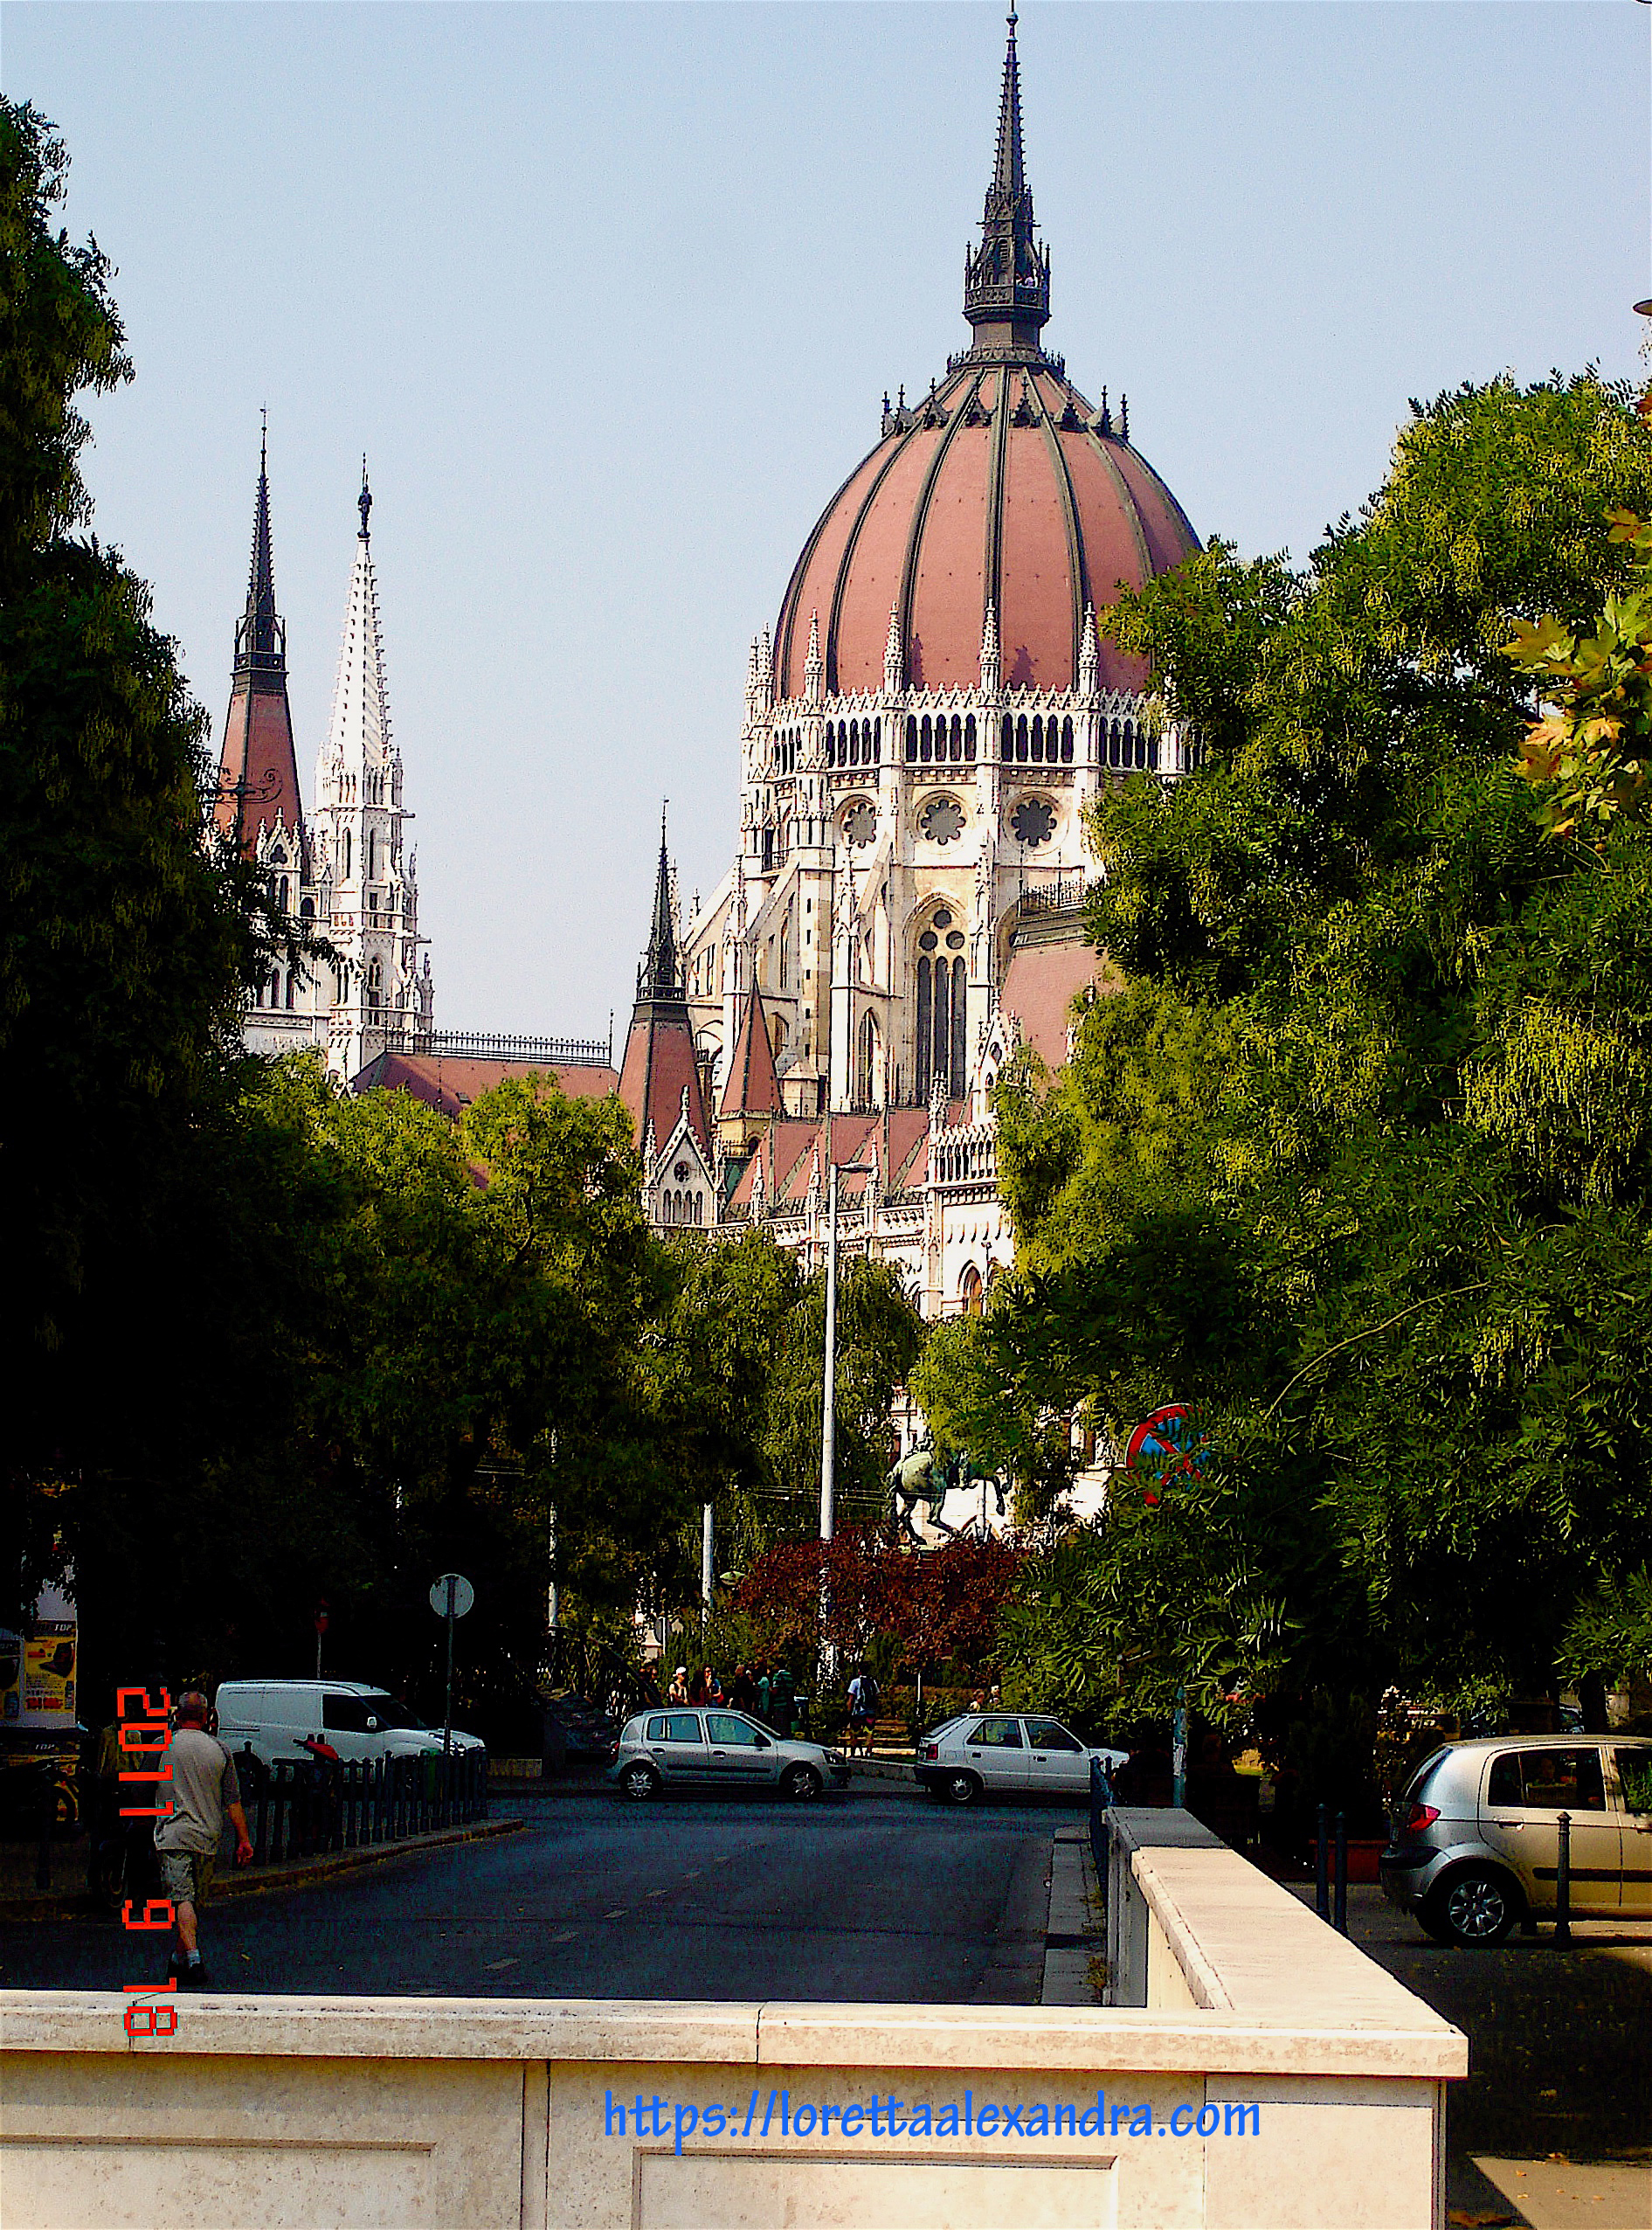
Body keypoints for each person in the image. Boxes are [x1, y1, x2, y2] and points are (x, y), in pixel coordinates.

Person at [153, 1691, 253, 1987]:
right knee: (192, 1902)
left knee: (181, 1899)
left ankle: (193, 1960)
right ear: (208, 1716)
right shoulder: (220, 1750)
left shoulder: (162, 1746)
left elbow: (142, 1788)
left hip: (172, 1833)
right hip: (208, 1836)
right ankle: (178, 1961)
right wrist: (243, 1840)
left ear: (177, 1716)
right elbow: (233, 1801)